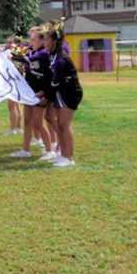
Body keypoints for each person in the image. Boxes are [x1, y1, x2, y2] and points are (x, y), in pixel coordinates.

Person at [10, 28, 54, 160]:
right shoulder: (33, 51)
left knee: (38, 123)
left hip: (41, 93)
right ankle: (25, 150)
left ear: (42, 40)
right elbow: (26, 64)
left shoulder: (43, 53)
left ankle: (50, 151)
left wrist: (12, 54)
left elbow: (27, 59)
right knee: (27, 121)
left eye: (34, 39)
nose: (31, 41)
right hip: (30, 92)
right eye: (31, 39)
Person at [45, 21, 83, 167]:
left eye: (47, 39)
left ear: (55, 41)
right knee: (60, 125)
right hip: (62, 92)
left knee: (64, 125)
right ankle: (63, 155)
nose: (45, 41)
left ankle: (69, 158)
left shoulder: (60, 58)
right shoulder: (53, 55)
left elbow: (57, 81)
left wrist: (47, 93)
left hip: (70, 93)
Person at [3, 35, 24, 135]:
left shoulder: (12, 53)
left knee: (11, 106)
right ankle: (18, 127)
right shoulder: (18, 52)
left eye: (10, 42)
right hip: (17, 80)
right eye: (7, 42)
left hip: (13, 80)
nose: (7, 44)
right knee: (16, 105)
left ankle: (13, 128)